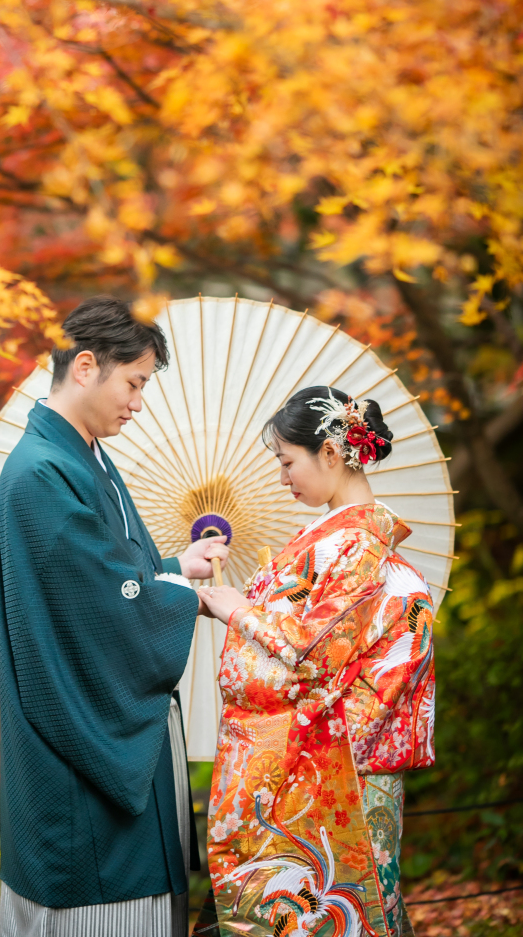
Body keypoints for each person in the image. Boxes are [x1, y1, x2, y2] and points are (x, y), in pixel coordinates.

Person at [0, 296, 231, 937]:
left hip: (116, 736)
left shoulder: (82, 457)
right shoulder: (42, 472)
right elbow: (98, 607)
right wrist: (194, 600)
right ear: (86, 367)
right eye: (134, 382)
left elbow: (109, 576)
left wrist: (177, 567)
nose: (138, 403)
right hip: (82, 761)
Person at [195, 386, 435, 937]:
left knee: (327, 912)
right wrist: (233, 606)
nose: (283, 478)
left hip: (333, 767)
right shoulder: (341, 539)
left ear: (330, 452)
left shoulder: (355, 543)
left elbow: (313, 654)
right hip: (333, 759)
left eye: (287, 462)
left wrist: (240, 614)